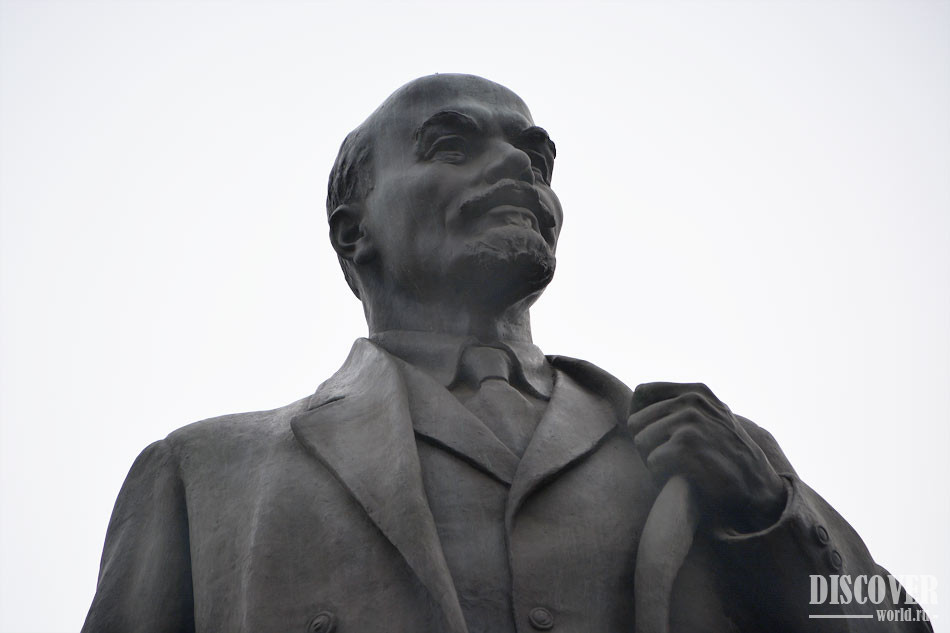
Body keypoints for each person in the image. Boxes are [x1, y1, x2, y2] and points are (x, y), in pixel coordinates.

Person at [82, 74, 931, 632]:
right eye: (454, 145)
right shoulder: (203, 476)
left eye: (536, 155)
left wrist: (768, 513)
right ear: (353, 231)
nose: (519, 168)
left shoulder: (713, 450)